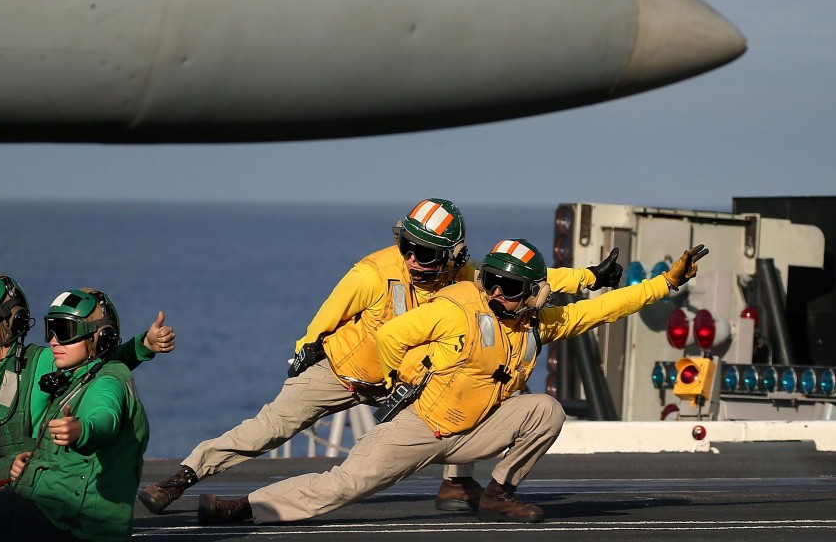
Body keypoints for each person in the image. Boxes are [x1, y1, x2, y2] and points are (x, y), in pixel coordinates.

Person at [139, 200, 622, 515]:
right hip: (345, 370)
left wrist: (589, 280)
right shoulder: (372, 272)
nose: (413, 260)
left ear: (454, 257)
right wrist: (303, 353)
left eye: (426, 253)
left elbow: (528, 280)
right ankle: (181, 478)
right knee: (269, 429)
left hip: (404, 381)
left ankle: (457, 484)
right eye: (407, 247)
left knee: (481, 383)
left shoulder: (468, 278)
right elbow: (322, 321)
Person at [193, 239, 709, 526]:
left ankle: (497, 492)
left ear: (532, 294)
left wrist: (664, 284)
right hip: (420, 425)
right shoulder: (459, 307)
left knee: (546, 410)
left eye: (509, 287)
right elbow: (392, 337)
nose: (496, 293)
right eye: (491, 282)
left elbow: (601, 309)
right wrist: (407, 376)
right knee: (343, 487)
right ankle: (242, 507)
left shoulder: (542, 322)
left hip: (474, 433)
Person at [0, 287, 152, 542]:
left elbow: (104, 402)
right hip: (30, 500)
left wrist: (81, 429)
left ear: (13, 320)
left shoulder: (49, 367)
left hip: (65, 517)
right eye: (51, 329)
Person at [0, 274, 173, 490]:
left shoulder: (41, 364)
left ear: (12, 319)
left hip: (27, 499)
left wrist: (143, 346)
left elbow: (93, 361)